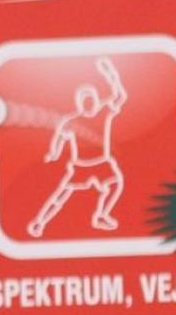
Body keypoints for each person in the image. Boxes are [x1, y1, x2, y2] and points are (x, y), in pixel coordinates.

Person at [27, 57, 126, 237]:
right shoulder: (72, 121)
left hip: (102, 163)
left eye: (91, 100)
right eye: (85, 101)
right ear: (80, 104)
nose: (89, 104)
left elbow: (119, 95)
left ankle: (101, 215)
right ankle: (39, 223)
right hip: (81, 166)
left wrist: (111, 74)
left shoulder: (103, 112)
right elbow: (59, 137)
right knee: (61, 195)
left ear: (95, 101)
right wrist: (54, 153)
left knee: (115, 182)